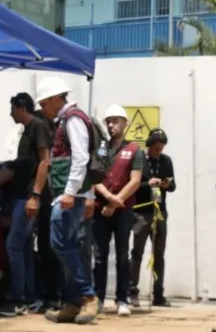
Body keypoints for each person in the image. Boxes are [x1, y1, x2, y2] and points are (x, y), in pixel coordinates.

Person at [36, 77, 97, 324]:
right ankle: (72, 302)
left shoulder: (73, 119)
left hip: (70, 195)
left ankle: (88, 296)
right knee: (68, 246)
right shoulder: (66, 119)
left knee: (59, 243)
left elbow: (81, 158)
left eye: (43, 103)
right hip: (69, 194)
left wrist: (70, 192)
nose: (42, 109)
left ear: (53, 98)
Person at [0, 93, 52, 316]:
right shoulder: (27, 131)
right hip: (21, 197)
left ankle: (18, 298)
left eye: (12, 108)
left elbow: (45, 161)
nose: (10, 113)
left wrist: (35, 196)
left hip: (29, 198)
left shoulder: (38, 127)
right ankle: (29, 296)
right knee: (22, 248)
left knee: (14, 246)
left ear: (22, 107)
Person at [91, 106, 140, 316]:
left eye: (115, 120)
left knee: (122, 256)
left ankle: (122, 299)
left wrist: (115, 202)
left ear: (125, 123)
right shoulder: (101, 149)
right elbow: (94, 177)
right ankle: (98, 299)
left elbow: (135, 181)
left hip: (123, 211)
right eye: (108, 121)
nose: (111, 125)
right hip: (100, 210)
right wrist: (108, 198)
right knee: (100, 257)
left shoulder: (135, 150)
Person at [128, 129, 173, 309]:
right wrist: (149, 184)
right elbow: (134, 184)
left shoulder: (166, 161)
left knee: (159, 255)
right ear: (149, 146)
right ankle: (132, 291)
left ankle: (158, 294)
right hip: (142, 212)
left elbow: (172, 185)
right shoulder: (139, 159)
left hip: (159, 212)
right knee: (137, 252)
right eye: (155, 149)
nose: (158, 152)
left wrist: (166, 184)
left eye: (160, 149)